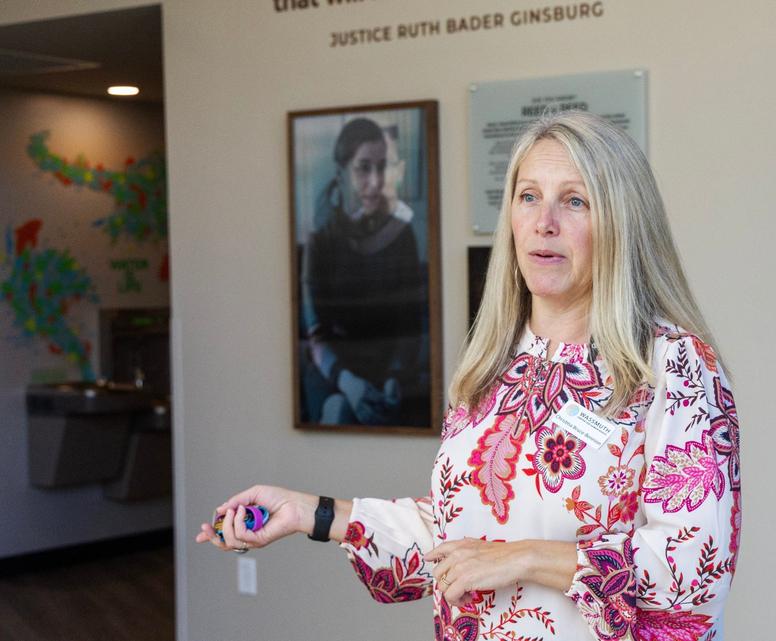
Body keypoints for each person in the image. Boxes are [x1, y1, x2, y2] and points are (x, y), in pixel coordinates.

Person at [200, 111, 741, 640]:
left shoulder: (674, 366)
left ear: (623, 222)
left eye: (574, 201)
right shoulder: (496, 361)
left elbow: (693, 571)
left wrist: (524, 558)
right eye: (528, 196)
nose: (544, 221)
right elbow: (457, 538)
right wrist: (308, 513)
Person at [300, 117, 427, 427]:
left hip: (387, 375)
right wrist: (348, 383)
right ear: (341, 172)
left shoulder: (402, 235)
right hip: (332, 372)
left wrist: (395, 376)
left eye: (382, 166)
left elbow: (410, 322)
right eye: (363, 167)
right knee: (339, 409)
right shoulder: (320, 240)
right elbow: (317, 334)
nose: (375, 181)